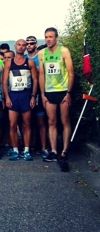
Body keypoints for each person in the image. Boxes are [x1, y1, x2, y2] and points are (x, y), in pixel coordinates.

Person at [38, 27, 74, 171]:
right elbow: (41, 74)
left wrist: (69, 92)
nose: (48, 39)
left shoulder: (64, 51)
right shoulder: (42, 53)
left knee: (65, 121)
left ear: (56, 38)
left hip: (63, 90)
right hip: (49, 91)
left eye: (51, 37)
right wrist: (42, 94)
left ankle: (65, 150)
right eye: (46, 37)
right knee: (51, 122)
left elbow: (71, 72)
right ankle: (53, 151)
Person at [3, 39, 38, 161]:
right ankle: (15, 150)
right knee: (12, 125)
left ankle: (27, 150)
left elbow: (35, 80)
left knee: (27, 124)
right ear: (15, 46)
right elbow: (4, 81)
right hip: (13, 95)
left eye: (24, 45)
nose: (22, 47)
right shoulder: (9, 63)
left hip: (26, 95)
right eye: (19, 45)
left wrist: (33, 96)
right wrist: (7, 97)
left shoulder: (30, 62)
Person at [25, 36, 48, 159]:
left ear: (36, 44)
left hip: (39, 91)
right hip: (25, 93)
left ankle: (44, 148)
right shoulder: (23, 58)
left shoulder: (41, 57)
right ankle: (28, 147)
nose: (29, 45)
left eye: (31, 43)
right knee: (27, 122)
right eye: (27, 43)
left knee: (41, 121)